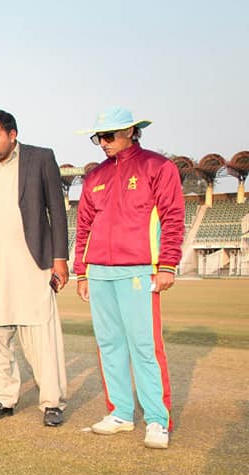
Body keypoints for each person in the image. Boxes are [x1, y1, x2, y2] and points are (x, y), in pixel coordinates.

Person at [74, 106, 184, 449]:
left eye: (108, 136)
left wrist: (167, 264)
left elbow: (173, 217)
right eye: (98, 138)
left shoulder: (157, 167)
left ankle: (156, 419)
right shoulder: (95, 176)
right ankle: (120, 412)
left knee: (145, 346)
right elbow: (84, 226)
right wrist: (82, 271)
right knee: (109, 344)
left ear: (131, 132)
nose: (103, 143)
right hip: (100, 271)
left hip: (138, 269)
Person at [0, 109, 69, 427]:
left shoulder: (40, 159)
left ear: (12, 134)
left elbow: (57, 211)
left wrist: (60, 259)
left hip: (31, 261)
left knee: (40, 332)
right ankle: (3, 398)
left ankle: (52, 402)